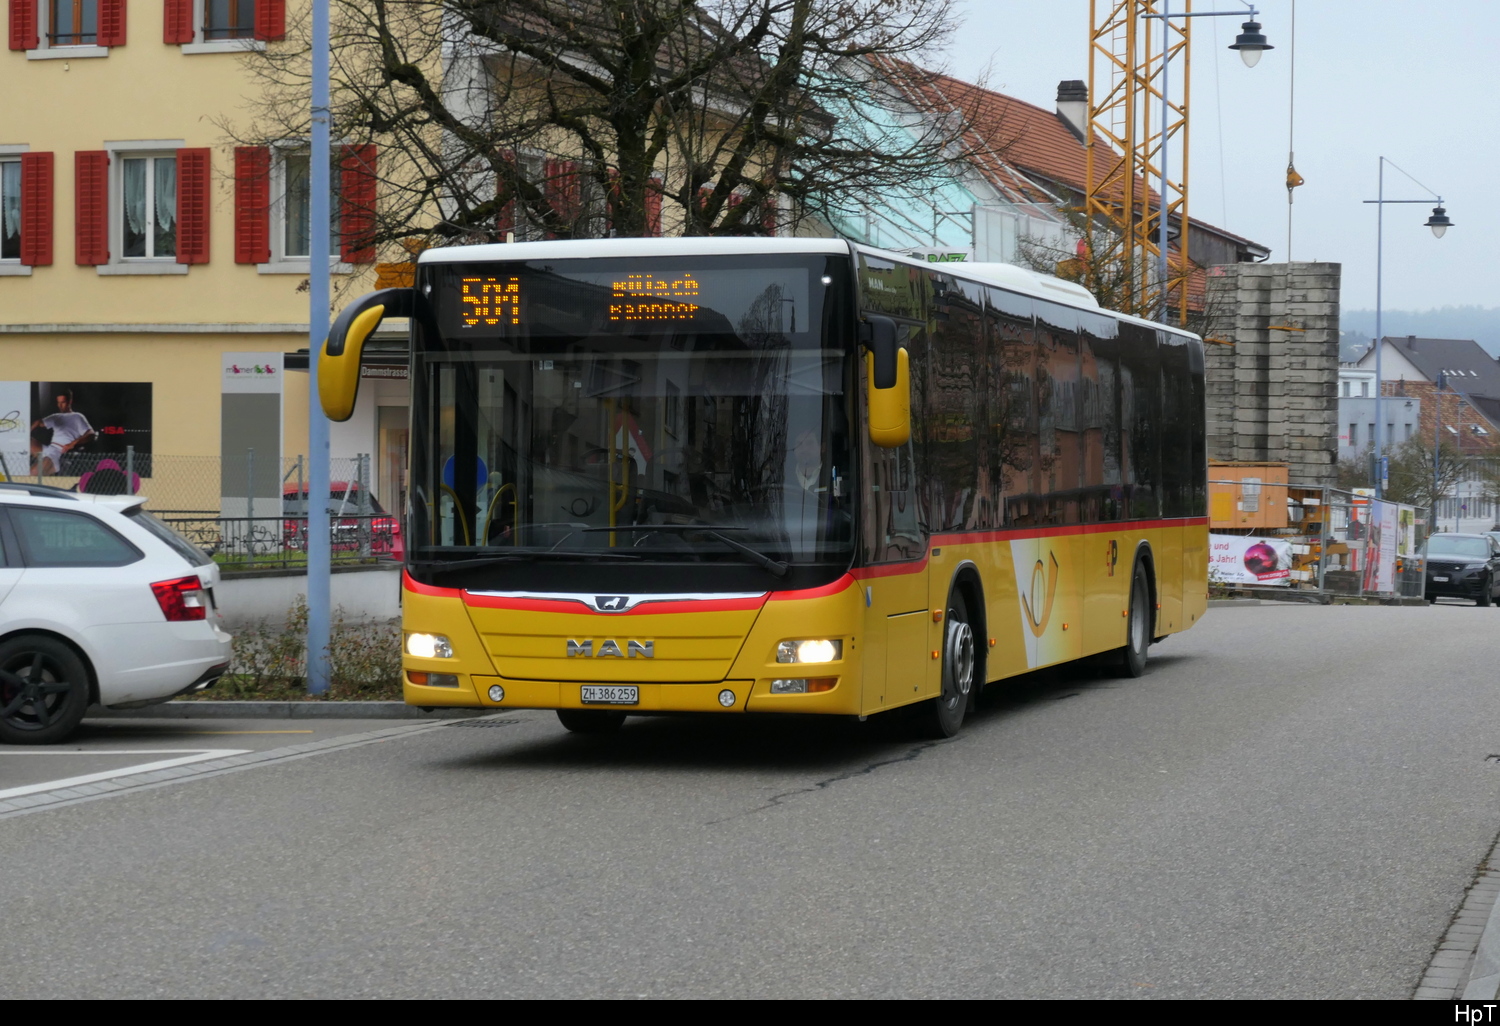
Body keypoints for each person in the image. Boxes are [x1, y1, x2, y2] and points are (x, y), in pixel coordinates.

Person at [33, 388, 95, 473]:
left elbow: (91, 434)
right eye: (58, 403)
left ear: (70, 402)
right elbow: (38, 422)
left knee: (33, 473)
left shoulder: (77, 416)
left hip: (59, 451)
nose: (60, 405)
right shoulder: (56, 416)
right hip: (49, 448)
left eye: (63, 402)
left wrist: (73, 443)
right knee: (26, 440)